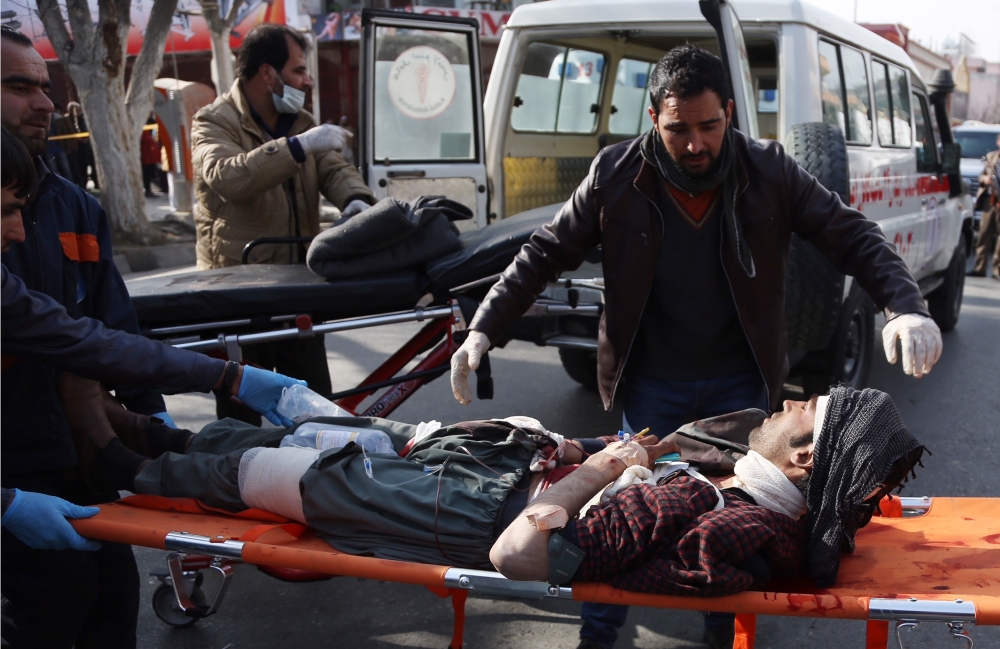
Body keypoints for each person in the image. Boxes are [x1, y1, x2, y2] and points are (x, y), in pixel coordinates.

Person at [449, 44, 941, 648]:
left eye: (709, 126)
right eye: (678, 129)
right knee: (615, 515)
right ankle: (598, 637)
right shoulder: (616, 173)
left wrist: (907, 307)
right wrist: (483, 329)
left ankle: (722, 638)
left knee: (732, 522)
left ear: (729, 113)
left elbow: (852, 235)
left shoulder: (771, 170)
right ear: (653, 117)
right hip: (653, 382)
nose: (695, 144)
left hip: (740, 387)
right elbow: (545, 252)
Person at [96, 385, 921, 600]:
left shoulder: (712, 512)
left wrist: (606, 469)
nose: (784, 404)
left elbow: (520, 552)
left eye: (801, 408)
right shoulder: (739, 489)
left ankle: (112, 464)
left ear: (808, 456)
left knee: (287, 476)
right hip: (505, 472)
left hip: (476, 509)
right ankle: (155, 436)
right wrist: (600, 454)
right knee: (323, 440)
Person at [0, 125, 306, 648]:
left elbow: (92, 339)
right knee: (44, 615)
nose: (19, 230)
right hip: (20, 460)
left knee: (110, 596)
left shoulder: (64, 215)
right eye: (5, 209)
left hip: (67, 450)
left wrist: (224, 380)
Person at [190, 23, 376, 424]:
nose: (307, 80)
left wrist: (357, 200)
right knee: (242, 423)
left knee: (317, 414)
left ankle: (316, 483)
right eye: (298, 70)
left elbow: (333, 168)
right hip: (239, 296)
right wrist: (297, 147)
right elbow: (228, 177)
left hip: (298, 290)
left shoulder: (299, 119)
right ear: (267, 73)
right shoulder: (214, 122)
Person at [970, 133, 1000, 279]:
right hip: (989, 201)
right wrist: (985, 179)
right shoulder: (991, 156)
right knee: (983, 234)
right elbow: (980, 176)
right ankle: (980, 267)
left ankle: (997, 270)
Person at [140, 116, 161, 198]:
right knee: (146, 174)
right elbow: (146, 139)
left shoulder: (149, 124)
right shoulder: (143, 129)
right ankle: (148, 190)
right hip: (146, 156)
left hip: (150, 155)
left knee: (150, 172)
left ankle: (149, 189)